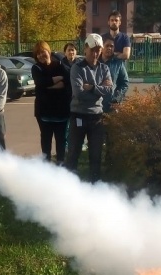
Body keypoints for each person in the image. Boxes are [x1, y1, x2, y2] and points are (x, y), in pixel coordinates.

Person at [64, 34, 113, 183]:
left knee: (96, 154)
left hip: (97, 118)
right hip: (78, 116)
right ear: (85, 48)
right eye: (92, 49)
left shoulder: (104, 68)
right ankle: (69, 185)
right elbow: (78, 93)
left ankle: (95, 185)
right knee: (73, 153)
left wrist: (91, 88)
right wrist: (99, 91)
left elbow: (110, 90)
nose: (96, 53)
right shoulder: (77, 68)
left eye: (98, 49)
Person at [31, 40, 70, 164]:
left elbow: (68, 80)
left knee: (61, 140)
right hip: (44, 112)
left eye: (43, 52)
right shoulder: (36, 68)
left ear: (48, 51)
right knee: (46, 140)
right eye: (38, 54)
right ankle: (46, 165)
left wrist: (49, 84)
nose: (41, 55)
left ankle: (60, 163)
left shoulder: (59, 64)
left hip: (61, 111)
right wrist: (58, 79)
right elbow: (40, 83)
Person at [99, 36, 129, 113]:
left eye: (111, 46)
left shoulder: (118, 63)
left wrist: (116, 99)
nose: (109, 48)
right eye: (107, 46)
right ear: (102, 47)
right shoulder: (95, 62)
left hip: (111, 104)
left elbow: (124, 83)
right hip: (95, 103)